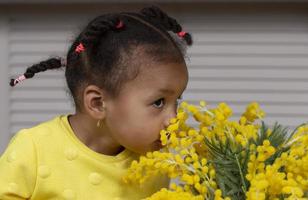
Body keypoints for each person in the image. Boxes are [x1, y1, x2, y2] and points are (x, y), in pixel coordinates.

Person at [0, 5, 192, 199]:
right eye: (159, 102)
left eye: (177, 100)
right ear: (98, 103)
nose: (174, 120)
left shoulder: (156, 164)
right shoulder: (33, 150)